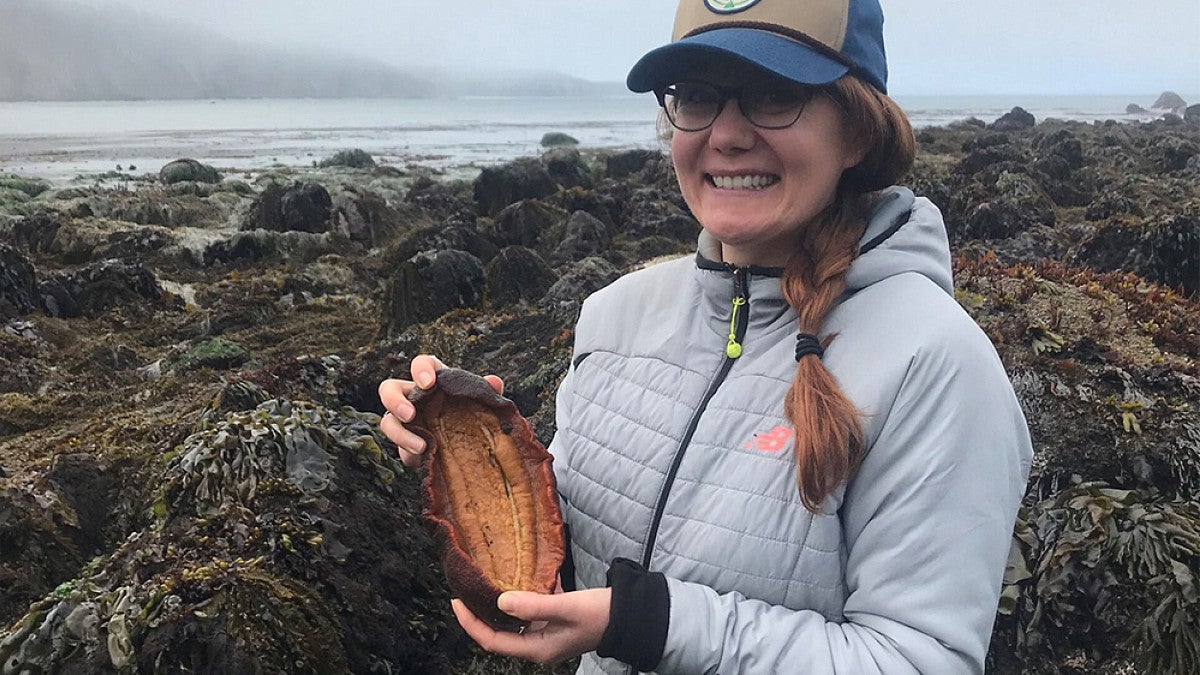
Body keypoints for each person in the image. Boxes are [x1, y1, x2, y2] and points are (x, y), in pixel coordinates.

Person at [379, 0, 1033, 672]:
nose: (725, 134)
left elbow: (920, 660)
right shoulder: (615, 316)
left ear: (858, 129)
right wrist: (467, 464)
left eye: (773, 94)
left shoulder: (932, 362)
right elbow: (573, 571)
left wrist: (653, 623)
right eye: (696, 96)